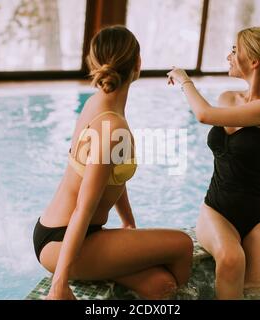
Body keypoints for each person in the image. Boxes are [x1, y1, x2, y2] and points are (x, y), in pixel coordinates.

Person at [33, 25, 193, 300]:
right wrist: (59, 284)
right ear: (138, 63)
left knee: (161, 285)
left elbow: (112, 176)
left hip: (61, 234)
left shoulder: (97, 105)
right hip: (64, 240)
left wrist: (129, 224)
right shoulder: (113, 128)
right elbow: (84, 207)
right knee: (183, 244)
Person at [167, 26, 260, 299]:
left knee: (255, 292)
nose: (228, 56)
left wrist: (183, 79)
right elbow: (214, 115)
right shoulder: (228, 98)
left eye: (235, 50)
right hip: (218, 208)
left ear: (253, 61)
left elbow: (203, 115)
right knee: (230, 258)